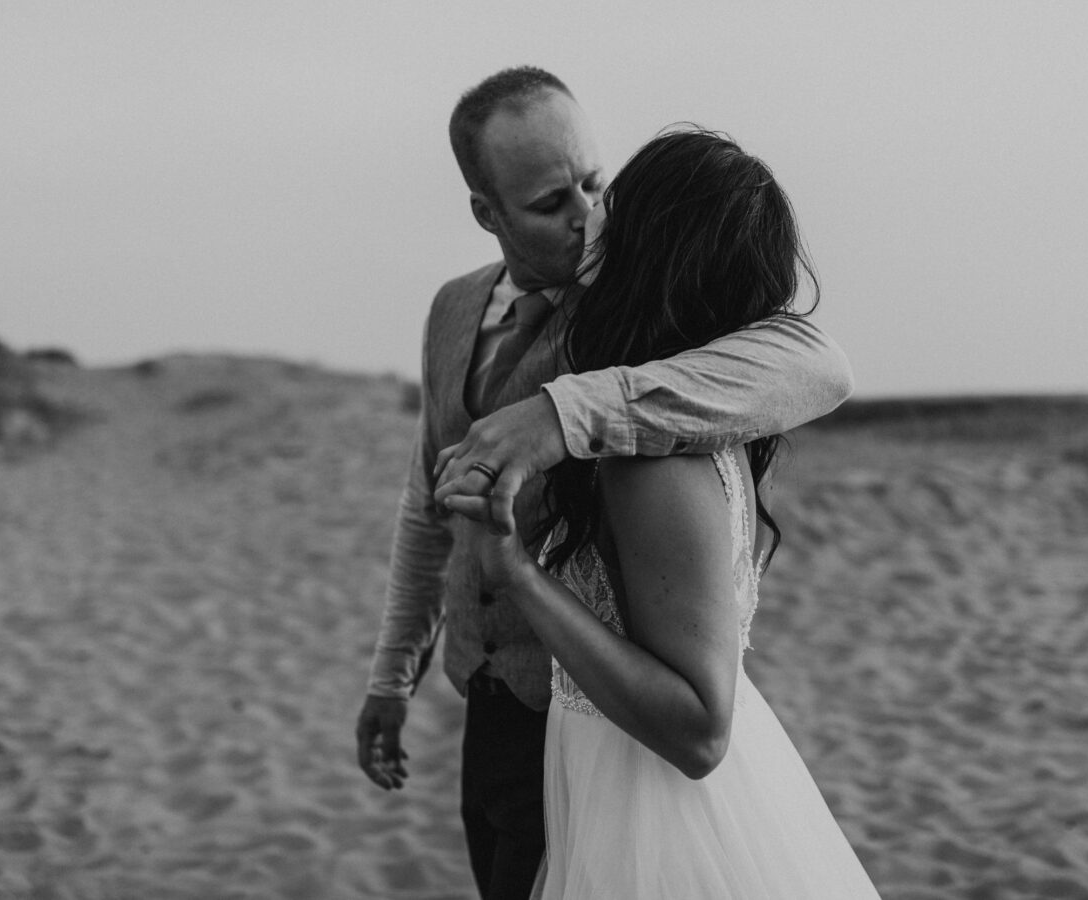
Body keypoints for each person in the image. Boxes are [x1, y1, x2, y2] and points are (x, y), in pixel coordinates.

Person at [355, 67, 855, 900]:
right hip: (488, 696)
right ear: (488, 214)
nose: (587, 219)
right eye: (553, 203)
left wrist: (567, 410)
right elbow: (426, 500)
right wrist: (392, 673)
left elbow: (821, 365)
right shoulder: (451, 311)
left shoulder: (637, 315)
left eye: (597, 182)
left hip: (602, 714)